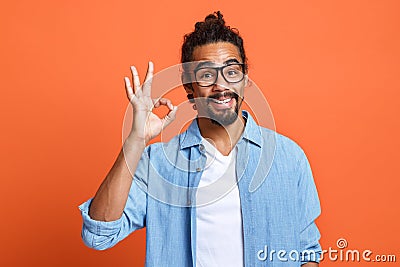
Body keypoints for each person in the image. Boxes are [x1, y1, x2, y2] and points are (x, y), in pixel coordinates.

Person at [79, 11, 322, 267]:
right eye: (206, 75)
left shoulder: (289, 157)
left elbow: (307, 252)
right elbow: (99, 235)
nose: (221, 86)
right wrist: (136, 140)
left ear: (245, 79)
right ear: (189, 87)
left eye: (231, 71)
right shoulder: (158, 164)